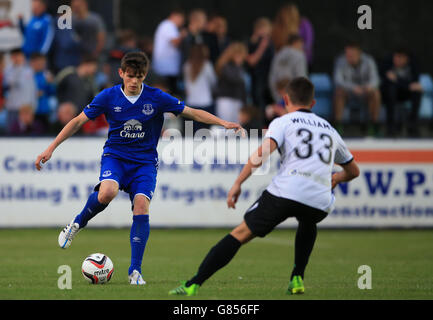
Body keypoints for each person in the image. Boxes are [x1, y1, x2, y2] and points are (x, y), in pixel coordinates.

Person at [34, 51, 243, 285]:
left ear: (145, 76)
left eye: (139, 77)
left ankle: (135, 272)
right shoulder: (108, 96)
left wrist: (223, 122)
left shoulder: (157, 97)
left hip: (144, 163)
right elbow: (77, 122)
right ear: (121, 73)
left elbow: (192, 112)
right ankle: (77, 222)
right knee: (107, 192)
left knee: (142, 206)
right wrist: (51, 148)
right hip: (116, 156)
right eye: (130, 76)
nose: (134, 81)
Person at [168, 77, 360, 296]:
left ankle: (194, 283)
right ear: (313, 103)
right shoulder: (330, 130)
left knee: (239, 234)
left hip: (287, 191)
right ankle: (297, 277)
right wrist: (336, 178)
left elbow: (261, 155)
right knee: (308, 219)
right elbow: (354, 171)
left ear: (286, 99)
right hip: (320, 199)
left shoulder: (284, 122)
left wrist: (238, 183)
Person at [333, 42, 381, 136]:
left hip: (365, 92)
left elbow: (375, 79)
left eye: (351, 55)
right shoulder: (340, 61)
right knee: (339, 92)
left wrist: (368, 87)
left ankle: (373, 125)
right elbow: (338, 80)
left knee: (375, 93)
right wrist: (353, 88)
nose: (348, 57)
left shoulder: (369, 61)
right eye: (347, 54)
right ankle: (338, 125)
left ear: (359, 54)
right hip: (349, 92)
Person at [380, 48, 422, 137]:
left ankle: (412, 125)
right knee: (391, 90)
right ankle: (391, 126)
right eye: (395, 57)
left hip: (406, 92)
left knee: (417, 92)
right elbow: (388, 82)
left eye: (399, 58)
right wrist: (407, 85)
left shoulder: (414, 65)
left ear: (406, 59)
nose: (396, 60)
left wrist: (398, 81)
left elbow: (415, 83)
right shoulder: (387, 63)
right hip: (390, 93)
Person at [183, 44, 217, 133]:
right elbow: (213, 83)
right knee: (205, 134)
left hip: (191, 104)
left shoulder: (187, 66)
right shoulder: (207, 66)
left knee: (190, 134)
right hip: (205, 103)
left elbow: (186, 87)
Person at [3, 48, 37, 133]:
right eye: (16, 56)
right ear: (12, 58)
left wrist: (33, 104)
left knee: (26, 131)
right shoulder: (8, 70)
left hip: (26, 107)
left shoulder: (29, 70)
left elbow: (32, 88)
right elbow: (12, 83)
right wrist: (18, 67)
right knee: (11, 131)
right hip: (13, 107)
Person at [152, 9, 186, 95]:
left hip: (167, 68)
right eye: (181, 19)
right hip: (166, 69)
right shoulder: (168, 25)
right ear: (174, 16)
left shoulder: (168, 26)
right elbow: (175, 42)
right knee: (168, 94)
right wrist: (184, 35)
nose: (182, 23)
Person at [214, 42, 248, 124]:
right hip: (226, 100)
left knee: (236, 127)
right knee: (225, 125)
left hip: (237, 99)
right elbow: (234, 79)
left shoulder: (239, 67)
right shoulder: (226, 66)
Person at [246, 17, 275, 113]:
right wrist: (262, 46)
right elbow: (251, 61)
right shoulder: (252, 43)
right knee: (259, 106)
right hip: (258, 80)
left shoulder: (271, 43)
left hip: (269, 80)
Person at [268, 34, 308, 103]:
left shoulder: (278, 54)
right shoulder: (299, 55)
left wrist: (277, 98)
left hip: (278, 96)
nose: (302, 47)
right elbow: (302, 78)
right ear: (296, 43)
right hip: (295, 100)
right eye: (301, 44)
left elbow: (272, 78)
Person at [29, 53, 56, 130]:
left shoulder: (46, 75)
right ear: (32, 63)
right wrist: (34, 94)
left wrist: (51, 84)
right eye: (39, 63)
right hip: (31, 110)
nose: (41, 65)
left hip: (44, 109)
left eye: (43, 63)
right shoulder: (27, 75)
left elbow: (52, 92)